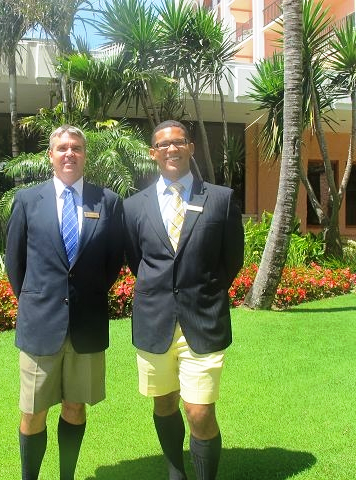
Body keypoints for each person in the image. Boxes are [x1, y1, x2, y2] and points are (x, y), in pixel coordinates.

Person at [123, 120, 244, 480]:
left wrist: (202, 290)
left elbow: (231, 260)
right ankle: (176, 471)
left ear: (191, 147)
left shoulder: (220, 199)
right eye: (163, 144)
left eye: (178, 142)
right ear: (153, 153)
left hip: (202, 319)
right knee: (164, 403)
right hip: (154, 319)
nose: (171, 149)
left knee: (199, 411)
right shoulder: (134, 206)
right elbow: (136, 260)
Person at [5, 125, 124, 480]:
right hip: (40, 324)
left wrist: (84, 295)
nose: (69, 153)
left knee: (75, 406)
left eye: (76, 147)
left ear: (85, 154)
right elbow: (15, 264)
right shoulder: (28, 201)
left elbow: (113, 260)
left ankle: (67, 476)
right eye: (62, 148)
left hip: (86, 325)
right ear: (50, 156)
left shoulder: (107, 202)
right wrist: (40, 299)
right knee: (33, 411)